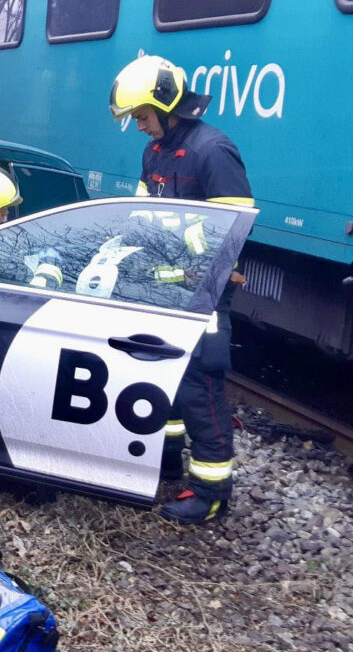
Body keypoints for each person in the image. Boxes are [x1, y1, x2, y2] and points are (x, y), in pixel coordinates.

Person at [109, 54, 255, 525]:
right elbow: (142, 216)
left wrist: (205, 277)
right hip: (163, 289)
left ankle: (212, 491)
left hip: (203, 295)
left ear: (168, 105)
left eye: (143, 117)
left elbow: (234, 228)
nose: (139, 127)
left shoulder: (213, 150)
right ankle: (167, 461)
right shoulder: (154, 152)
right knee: (163, 373)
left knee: (199, 385)